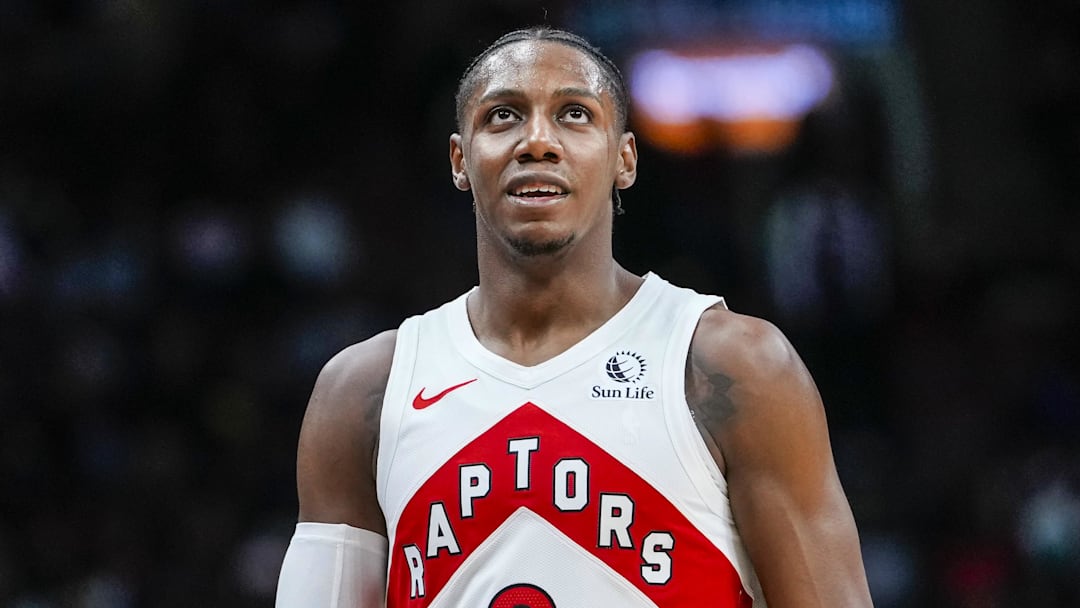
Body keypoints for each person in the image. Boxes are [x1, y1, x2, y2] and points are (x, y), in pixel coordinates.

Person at [275, 26, 874, 608]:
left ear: (625, 159)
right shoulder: (363, 392)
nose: (537, 141)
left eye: (574, 114)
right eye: (502, 115)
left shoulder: (733, 366)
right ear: (460, 161)